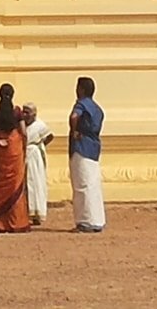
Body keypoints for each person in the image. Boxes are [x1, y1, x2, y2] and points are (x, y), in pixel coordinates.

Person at [0, 84, 34, 233]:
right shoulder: (16, 111)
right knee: (16, 186)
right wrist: (24, 148)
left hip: (0, 150)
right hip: (15, 149)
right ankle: (18, 221)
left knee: (0, 185)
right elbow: (24, 132)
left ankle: (1, 224)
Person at [67, 75, 105, 233]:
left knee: (82, 184)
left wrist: (75, 131)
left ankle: (85, 221)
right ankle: (97, 220)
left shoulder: (81, 104)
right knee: (93, 184)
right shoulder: (97, 108)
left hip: (81, 146)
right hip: (93, 147)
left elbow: (74, 116)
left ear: (81, 89)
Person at [20, 97, 54, 226]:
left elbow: (50, 136)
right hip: (24, 155)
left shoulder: (39, 125)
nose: (25, 114)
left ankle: (37, 214)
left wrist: (40, 145)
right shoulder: (21, 124)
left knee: (35, 183)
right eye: (24, 111)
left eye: (27, 112)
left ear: (34, 113)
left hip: (34, 156)